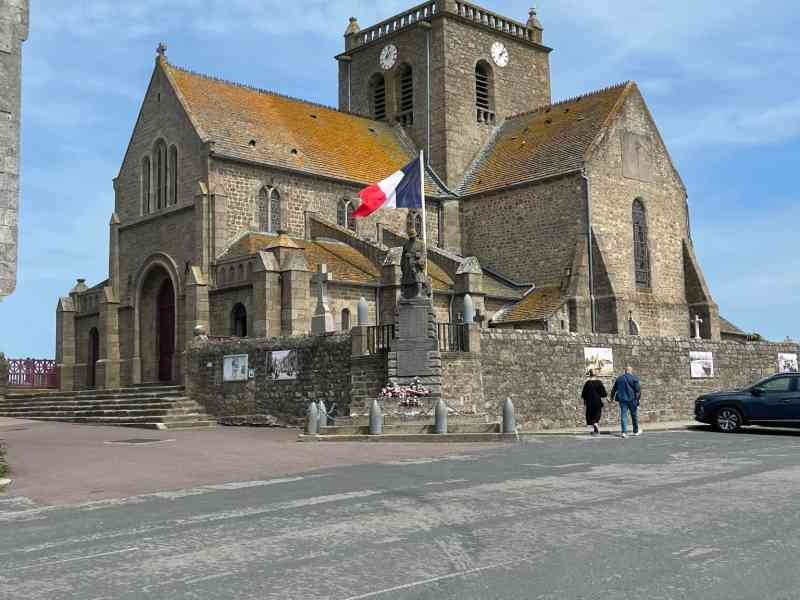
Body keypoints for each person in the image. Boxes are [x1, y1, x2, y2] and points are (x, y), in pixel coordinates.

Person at [611, 366, 642, 438]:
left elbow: (614, 389)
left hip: (622, 400)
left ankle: (624, 432)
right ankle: (635, 431)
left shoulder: (619, 379)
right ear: (630, 371)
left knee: (623, 416)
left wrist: (611, 398)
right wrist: (638, 400)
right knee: (634, 415)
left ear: (625, 371)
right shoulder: (634, 378)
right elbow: (638, 390)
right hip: (632, 400)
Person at [581, 369, 607, 435]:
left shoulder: (587, 383)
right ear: (596, 375)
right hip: (597, 401)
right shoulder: (599, 382)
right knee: (597, 414)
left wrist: (585, 399)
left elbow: (583, 394)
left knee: (590, 415)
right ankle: (595, 424)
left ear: (590, 375)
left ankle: (595, 429)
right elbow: (603, 393)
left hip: (589, 402)